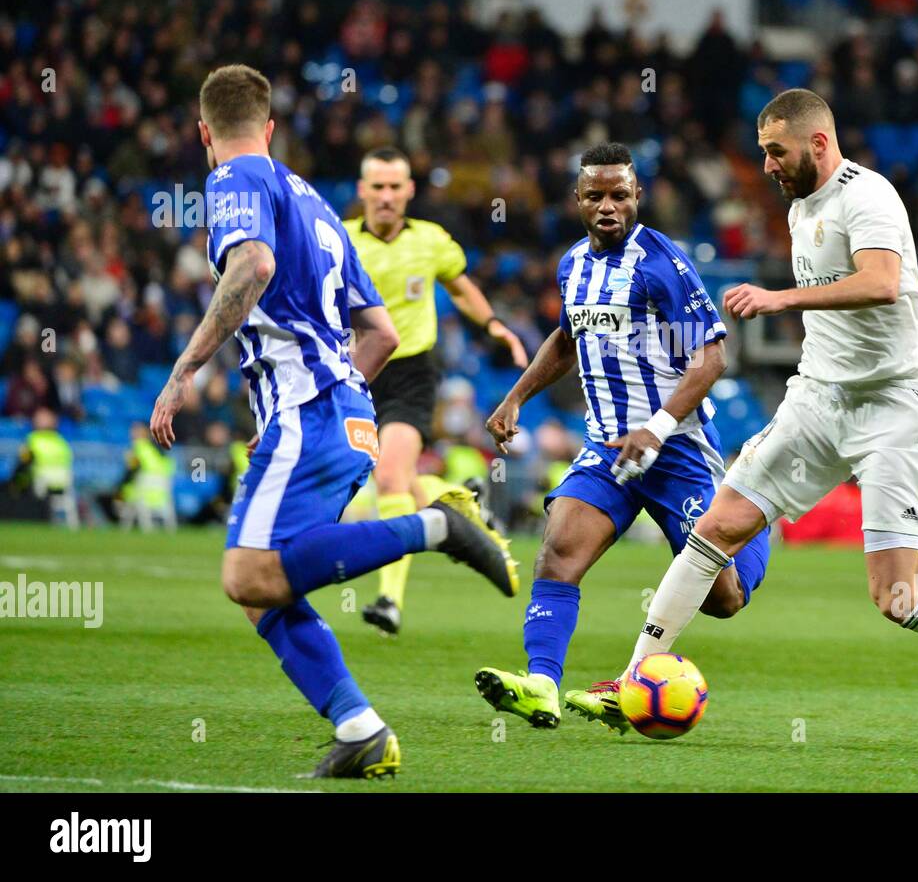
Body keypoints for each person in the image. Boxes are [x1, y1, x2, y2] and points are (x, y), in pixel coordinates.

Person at [593, 91, 918, 757]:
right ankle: (629, 681)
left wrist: (780, 297)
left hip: (891, 411)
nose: (766, 165)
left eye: (776, 152)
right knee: (716, 527)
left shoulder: (867, 197)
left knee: (899, 598)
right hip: (819, 399)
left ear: (818, 144)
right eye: (762, 152)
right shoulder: (799, 204)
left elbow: (880, 282)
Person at [149, 64, 517, 779]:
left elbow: (251, 264)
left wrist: (186, 367)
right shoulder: (315, 203)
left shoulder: (234, 180)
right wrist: (327, 401)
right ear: (271, 124)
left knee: (245, 576)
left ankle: (436, 526)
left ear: (204, 132)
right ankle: (361, 728)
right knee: (264, 592)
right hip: (342, 412)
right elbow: (379, 332)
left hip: (312, 411)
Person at [476, 141, 771, 731]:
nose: (607, 206)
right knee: (557, 555)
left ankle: (759, 510)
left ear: (637, 196)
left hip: (677, 449)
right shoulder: (571, 266)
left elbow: (711, 360)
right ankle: (541, 683)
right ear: (578, 201)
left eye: (618, 195)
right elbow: (566, 339)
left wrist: (656, 429)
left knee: (725, 599)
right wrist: (516, 396)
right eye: (595, 196)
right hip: (607, 448)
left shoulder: (662, 264)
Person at [343, 147, 528, 635]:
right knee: (397, 485)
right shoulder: (339, 241)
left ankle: (389, 600)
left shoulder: (430, 241)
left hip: (410, 373)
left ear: (409, 191)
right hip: (355, 374)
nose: (385, 196)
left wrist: (494, 325)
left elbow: (461, 285)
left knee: (388, 480)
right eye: (376, 187)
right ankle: (459, 502)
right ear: (362, 191)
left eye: (393, 187)